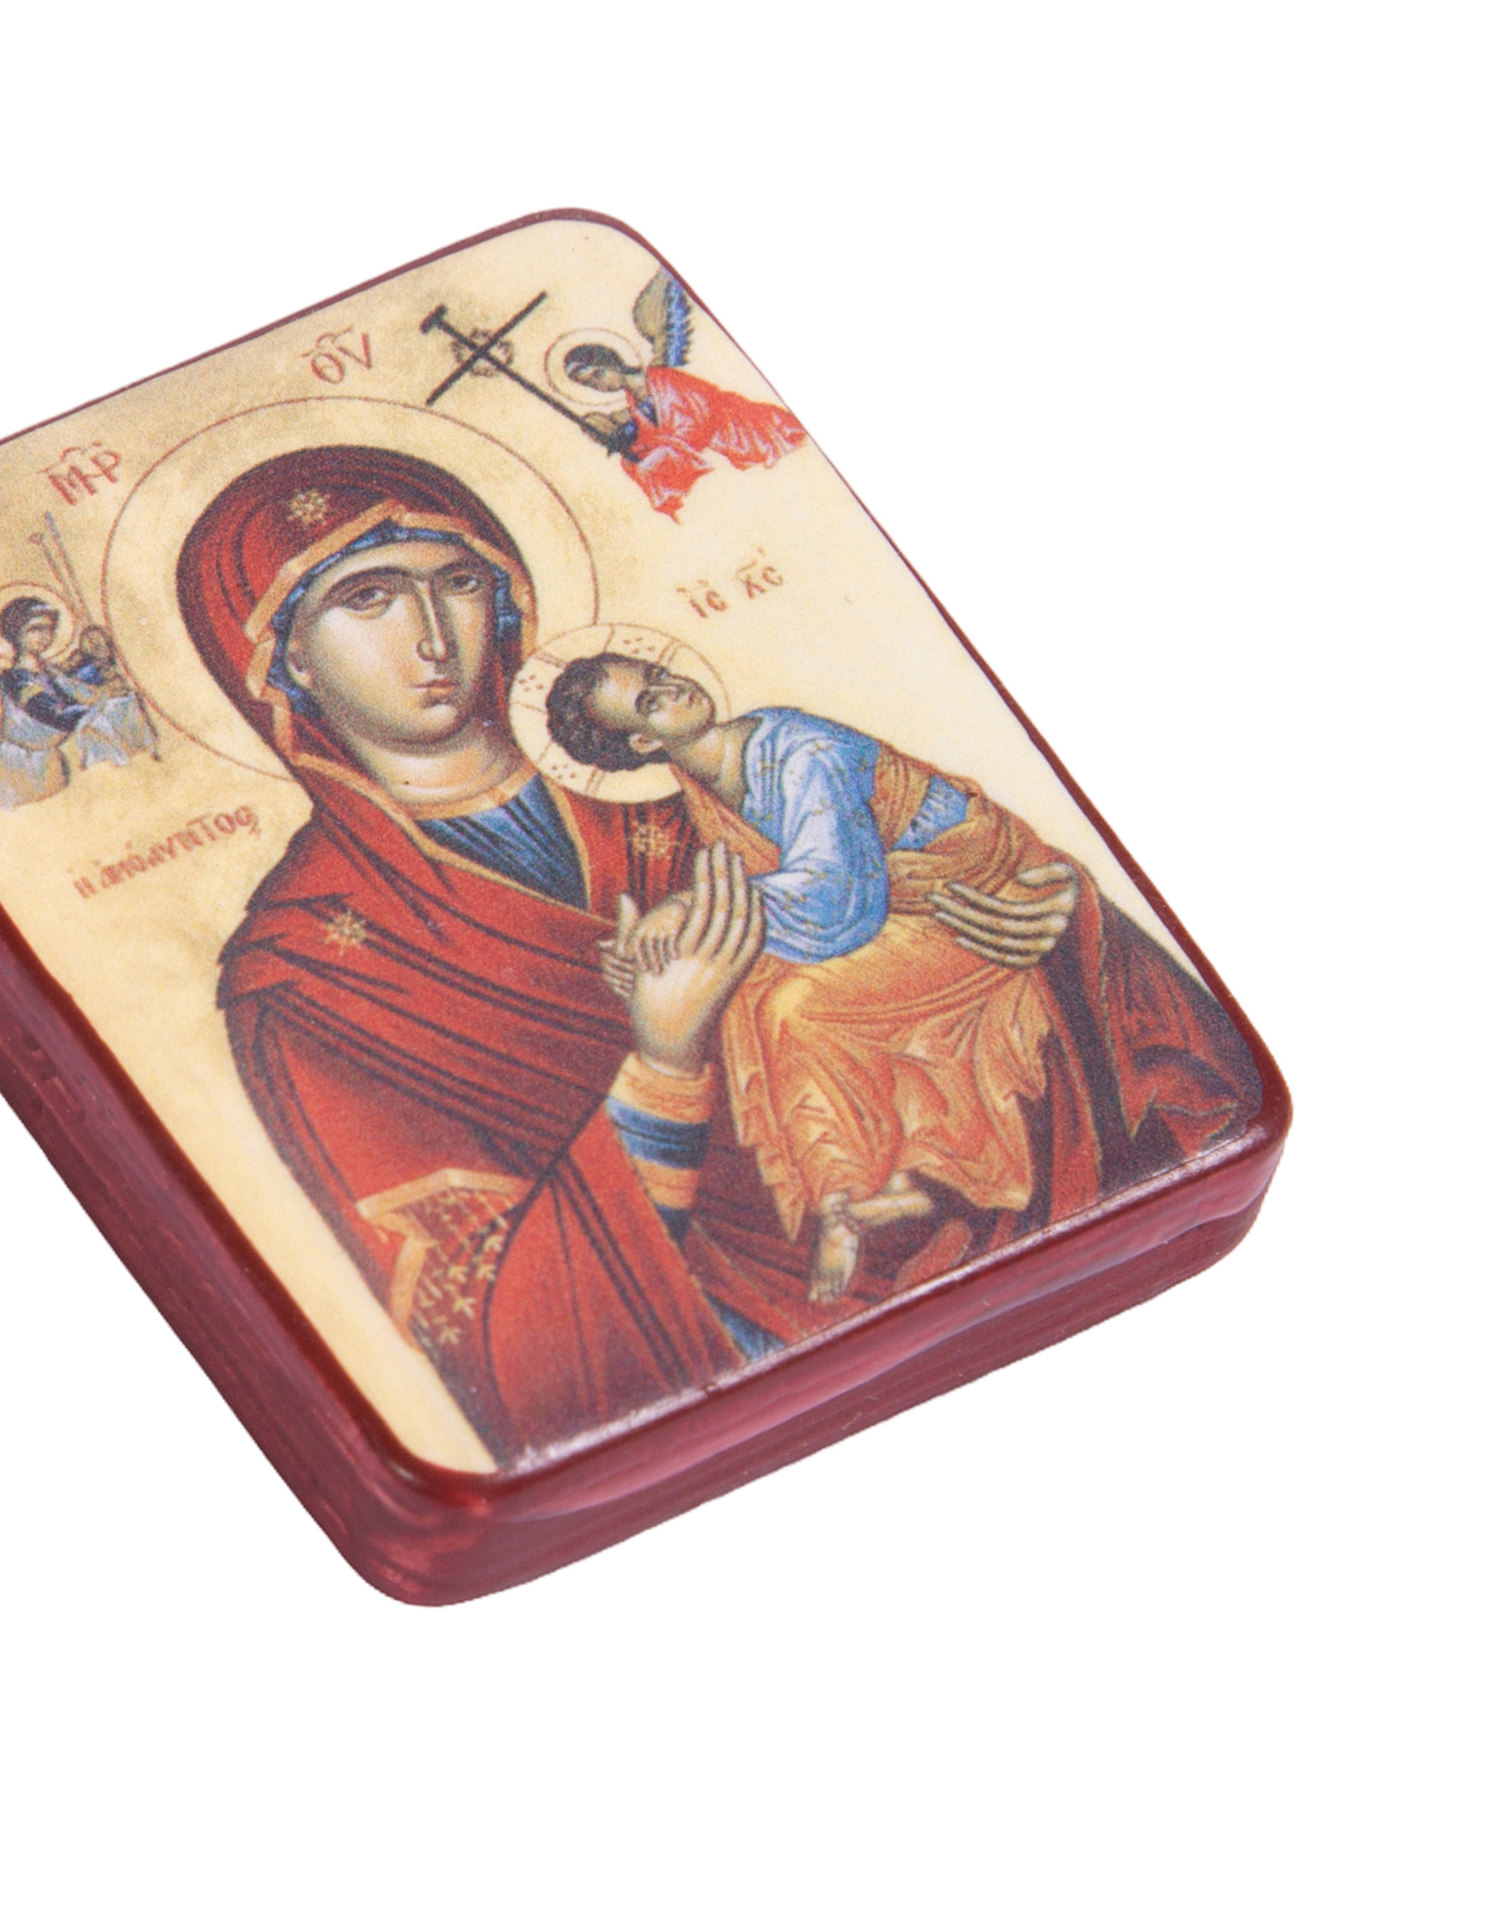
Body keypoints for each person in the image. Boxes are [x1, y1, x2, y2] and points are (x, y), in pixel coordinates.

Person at [179, 448, 1257, 1463]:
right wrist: (661, 1060)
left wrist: (1048, 907)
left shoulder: (680, 796)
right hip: (725, 1337)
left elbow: (916, 857)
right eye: (367, 598)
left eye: (457, 583)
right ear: (281, 660)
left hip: (992, 1186)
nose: (431, 636)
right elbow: (499, 1339)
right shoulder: (309, 971)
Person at [548, 652, 1137, 1302]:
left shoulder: (799, 750)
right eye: (651, 700)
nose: (673, 686)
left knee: (790, 1009)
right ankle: (853, 1198)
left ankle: (859, 1187)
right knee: (750, 1001)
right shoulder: (703, 790)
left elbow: (836, 901)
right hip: (898, 901)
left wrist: (689, 912)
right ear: (642, 742)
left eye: (656, 673)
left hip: (970, 893)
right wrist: (654, 950)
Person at [564, 343, 807, 520]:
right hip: (717, 445)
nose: (600, 385)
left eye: (599, 374)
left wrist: (666, 448)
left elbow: (700, 419)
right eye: (590, 383)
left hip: (740, 428)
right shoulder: (634, 402)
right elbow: (652, 436)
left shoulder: (661, 378)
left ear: (612, 363)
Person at [0, 598, 92, 809]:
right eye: (36, 629)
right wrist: (90, 710)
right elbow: (52, 715)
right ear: (15, 633)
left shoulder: (51, 674)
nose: (45, 636)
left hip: (49, 761)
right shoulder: (17, 679)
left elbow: (76, 698)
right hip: (19, 766)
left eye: (50, 629)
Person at [67, 627, 160, 770]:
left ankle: (147, 747)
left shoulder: (107, 665)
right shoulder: (85, 667)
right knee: (106, 717)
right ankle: (120, 755)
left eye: (103, 645)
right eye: (95, 646)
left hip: (116, 700)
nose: (101, 650)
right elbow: (79, 686)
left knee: (132, 705)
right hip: (98, 704)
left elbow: (117, 684)